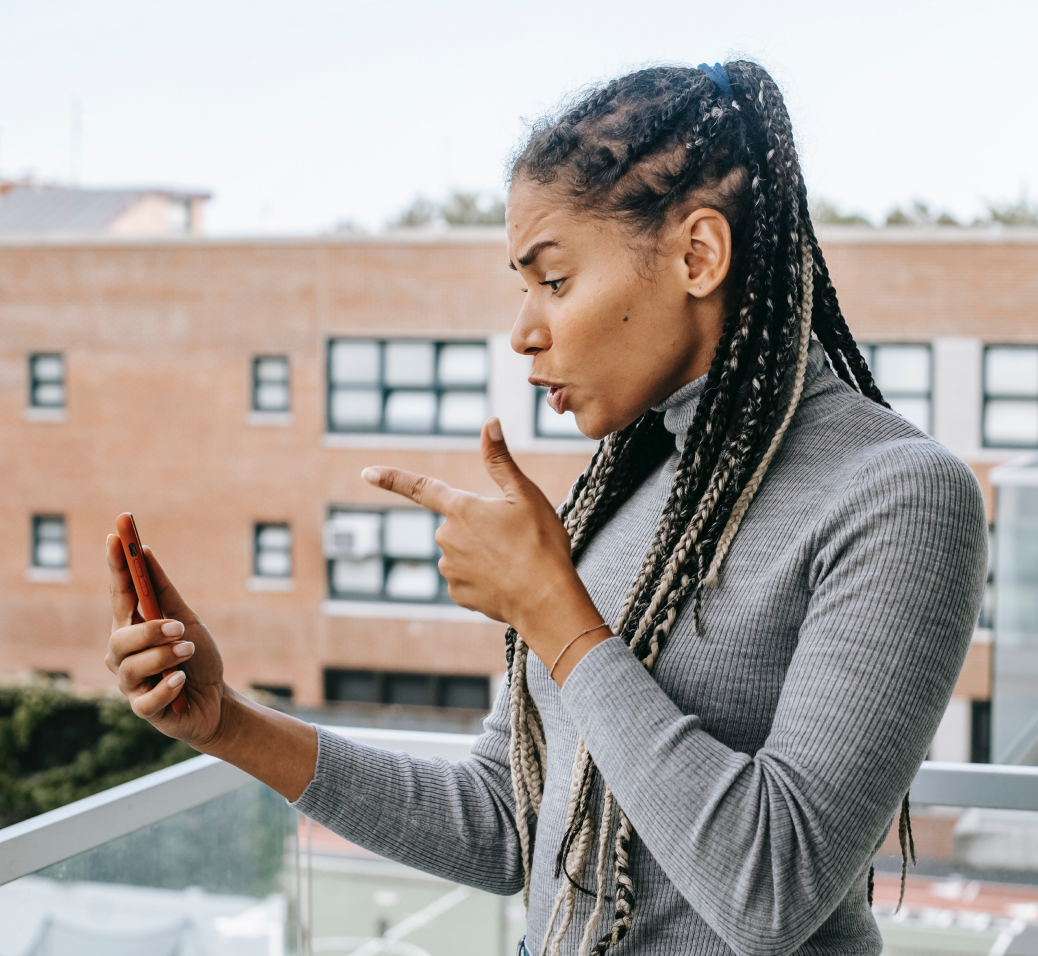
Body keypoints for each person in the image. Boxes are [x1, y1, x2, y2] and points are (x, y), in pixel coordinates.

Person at [104, 60, 985, 956]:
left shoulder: (899, 496)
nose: (525, 329)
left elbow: (771, 889)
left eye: (554, 281)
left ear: (697, 255)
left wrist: (553, 614)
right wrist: (227, 724)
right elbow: (508, 822)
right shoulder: (636, 486)